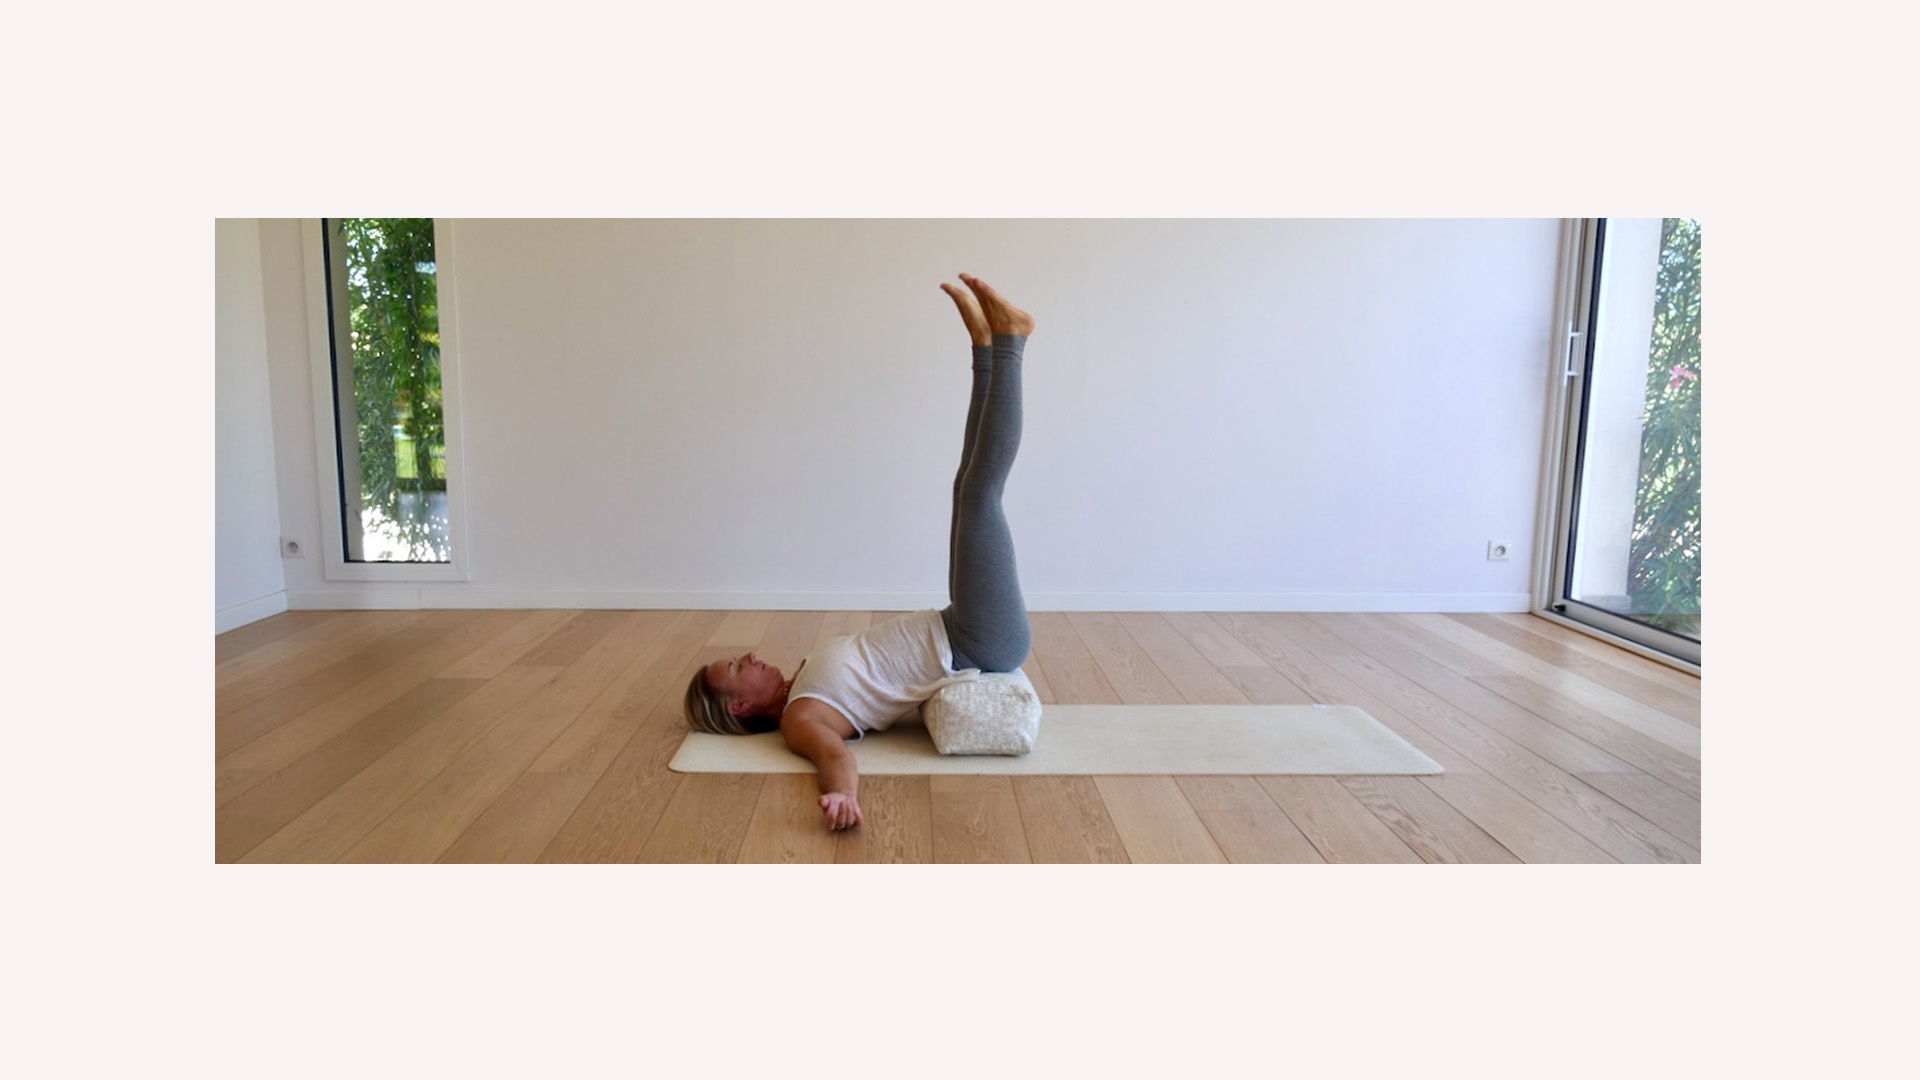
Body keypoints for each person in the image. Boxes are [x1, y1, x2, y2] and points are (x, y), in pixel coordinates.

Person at [683, 273, 1036, 830]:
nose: (748, 656)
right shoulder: (801, 720)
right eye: (736, 667)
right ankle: (1011, 343)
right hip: (979, 642)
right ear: (739, 707)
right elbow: (834, 757)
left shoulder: (802, 687)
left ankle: (985, 349)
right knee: (980, 495)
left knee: (963, 489)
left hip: (957, 624)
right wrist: (842, 797)